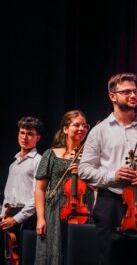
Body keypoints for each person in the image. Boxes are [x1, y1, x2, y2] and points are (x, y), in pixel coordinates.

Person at [78, 73, 137, 264]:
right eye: (126, 92)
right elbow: (84, 169)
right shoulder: (99, 131)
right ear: (112, 96)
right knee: (108, 259)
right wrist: (112, 176)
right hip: (110, 204)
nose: (133, 95)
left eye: (135, 91)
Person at [35, 110, 92, 264]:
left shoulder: (90, 156)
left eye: (85, 126)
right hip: (55, 210)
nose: (82, 129)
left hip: (82, 210)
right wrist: (40, 218)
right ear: (65, 129)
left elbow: (96, 184)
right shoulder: (51, 154)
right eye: (76, 125)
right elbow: (40, 189)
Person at [0, 116, 42, 263]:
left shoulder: (39, 161)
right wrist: (3, 216)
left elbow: (38, 196)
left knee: (25, 259)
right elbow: (7, 195)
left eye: (30, 134)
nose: (25, 137)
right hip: (9, 215)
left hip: (27, 217)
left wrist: (16, 219)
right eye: (22, 133)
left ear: (37, 137)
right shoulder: (13, 164)